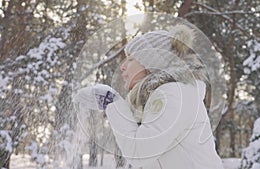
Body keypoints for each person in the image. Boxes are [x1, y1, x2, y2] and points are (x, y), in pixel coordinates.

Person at [74, 24, 224, 169]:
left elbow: (139, 153)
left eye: (131, 59)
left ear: (151, 62)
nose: (123, 66)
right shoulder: (164, 95)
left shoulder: (175, 94)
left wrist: (113, 103)